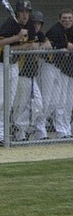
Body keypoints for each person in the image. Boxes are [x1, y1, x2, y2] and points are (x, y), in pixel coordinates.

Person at [0, 0, 38, 149]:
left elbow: (33, 44)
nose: (24, 15)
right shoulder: (10, 24)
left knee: (9, 102)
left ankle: (0, 135)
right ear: (17, 13)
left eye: (27, 12)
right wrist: (17, 38)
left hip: (13, 65)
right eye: (22, 12)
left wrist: (15, 47)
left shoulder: (30, 24)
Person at [12, 11, 50, 141]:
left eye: (39, 24)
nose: (36, 26)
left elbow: (48, 45)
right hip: (21, 73)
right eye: (34, 23)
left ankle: (21, 127)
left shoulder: (39, 35)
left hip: (33, 75)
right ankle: (19, 133)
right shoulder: (24, 33)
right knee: (20, 105)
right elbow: (23, 47)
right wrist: (32, 47)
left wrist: (36, 47)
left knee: (38, 104)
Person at [42, 8, 73, 138]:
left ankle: (66, 130)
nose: (67, 21)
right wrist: (66, 45)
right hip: (53, 67)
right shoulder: (55, 30)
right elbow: (48, 45)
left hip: (67, 70)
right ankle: (52, 129)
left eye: (70, 18)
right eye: (64, 18)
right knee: (52, 101)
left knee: (68, 102)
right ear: (59, 19)